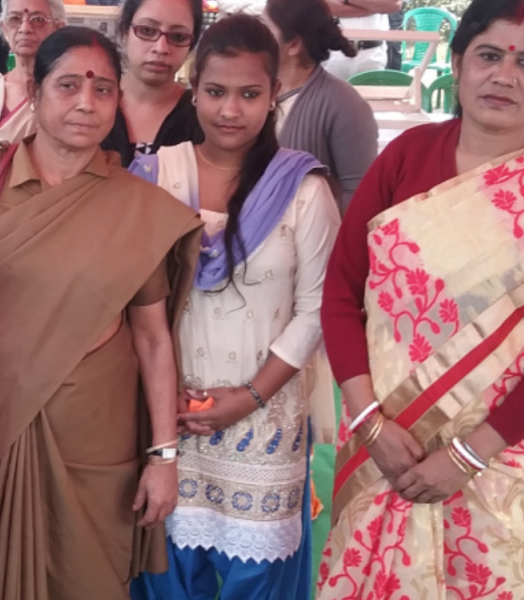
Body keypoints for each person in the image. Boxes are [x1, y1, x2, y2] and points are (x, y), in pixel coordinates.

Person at [317, 1, 524, 598]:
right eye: (489, 56)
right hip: (384, 443)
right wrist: (368, 423)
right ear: (459, 61)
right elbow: (341, 290)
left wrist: (469, 454)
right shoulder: (406, 157)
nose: (504, 76)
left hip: (497, 465)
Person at [0, 26, 202, 600]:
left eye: (103, 89)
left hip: (97, 440)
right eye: (69, 84)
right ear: (35, 87)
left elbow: (153, 339)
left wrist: (165, 457)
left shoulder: (134, 207)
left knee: (90, 576)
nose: (86, 102)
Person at [128, 14, 340, 600]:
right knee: (166, 567)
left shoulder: (303, 188)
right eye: (216, 92)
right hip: (170, 412)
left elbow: (317, 310)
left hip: (263, 420)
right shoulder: (153, 175)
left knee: (258, 577)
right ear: (193, 89)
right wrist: (166, 403)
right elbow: (133, 303)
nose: (230, 110)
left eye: (250, 94)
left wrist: (248, 399)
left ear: (274, 95)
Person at [265, 0, 378, 211]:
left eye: (265, 29)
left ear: (294, 45)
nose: (258, 37)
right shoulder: (258, 91)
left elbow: (360, 196)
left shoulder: (345, 105)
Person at [101, 0, 202, 167]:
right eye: (147, 30)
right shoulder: (91, 104)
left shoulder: (202, 116)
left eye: (178, 37)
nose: (161, 48)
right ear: (125, 31)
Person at [0, 0, 64, 149]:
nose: (25, 28)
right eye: (14, 19)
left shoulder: (67, 91)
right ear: (4, 29)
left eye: (38, 20)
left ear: (58, 29)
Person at [323, 0, 402, 80]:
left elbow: (394, 5)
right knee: (330, 91)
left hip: (373, 53)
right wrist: (373, 7)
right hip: (334, 53)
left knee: (372, 92)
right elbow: (326, 7)